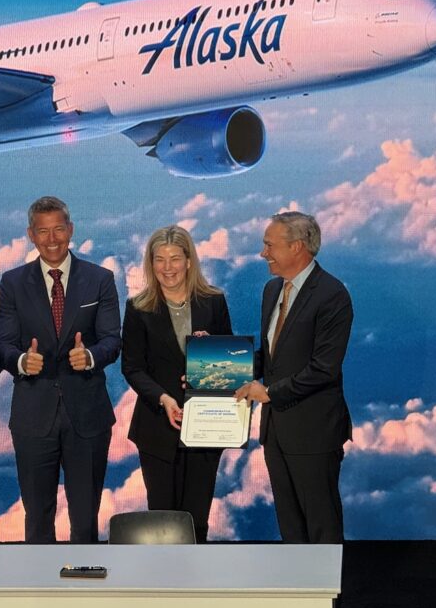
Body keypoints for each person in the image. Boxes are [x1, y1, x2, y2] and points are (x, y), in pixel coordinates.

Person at [0, 196, 121, 543]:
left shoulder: (100, 279)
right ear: (31, 235)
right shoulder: (12, 283)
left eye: (59, 230)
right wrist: (22, 361)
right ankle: (40, 591)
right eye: (43, 231)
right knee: (37, 517)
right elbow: (2, 344)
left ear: (71, 230)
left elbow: (112, 339)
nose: (52, 239)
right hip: (34, 418)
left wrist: (91, 357)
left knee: (85, 518)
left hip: (88, 417)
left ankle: (84, 590)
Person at [235, 211, 352, 544]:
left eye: (269, 245)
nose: (263, 253)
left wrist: (270, 393)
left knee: (321, 527)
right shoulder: (273, 290)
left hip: (314, 433)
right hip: (276, 433)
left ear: (297, 247)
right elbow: (271, 360)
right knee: (291, 529)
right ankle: (300, 596)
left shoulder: (332, 294)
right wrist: (218, 365)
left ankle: (327, 598)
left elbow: (323, 368)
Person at [121, 226, 232, 543]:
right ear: (150, 263)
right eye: (159, 260)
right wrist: (163, 399)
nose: (167, 268)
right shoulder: (138, 307)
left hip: (206, 426)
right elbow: (132, 367)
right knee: (163, 522)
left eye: (174, 259)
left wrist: (210, 350)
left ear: (188, 261)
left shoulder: (214, 302)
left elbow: (229, 362)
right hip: (157, 426)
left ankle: (197, 586)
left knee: (197, 521)